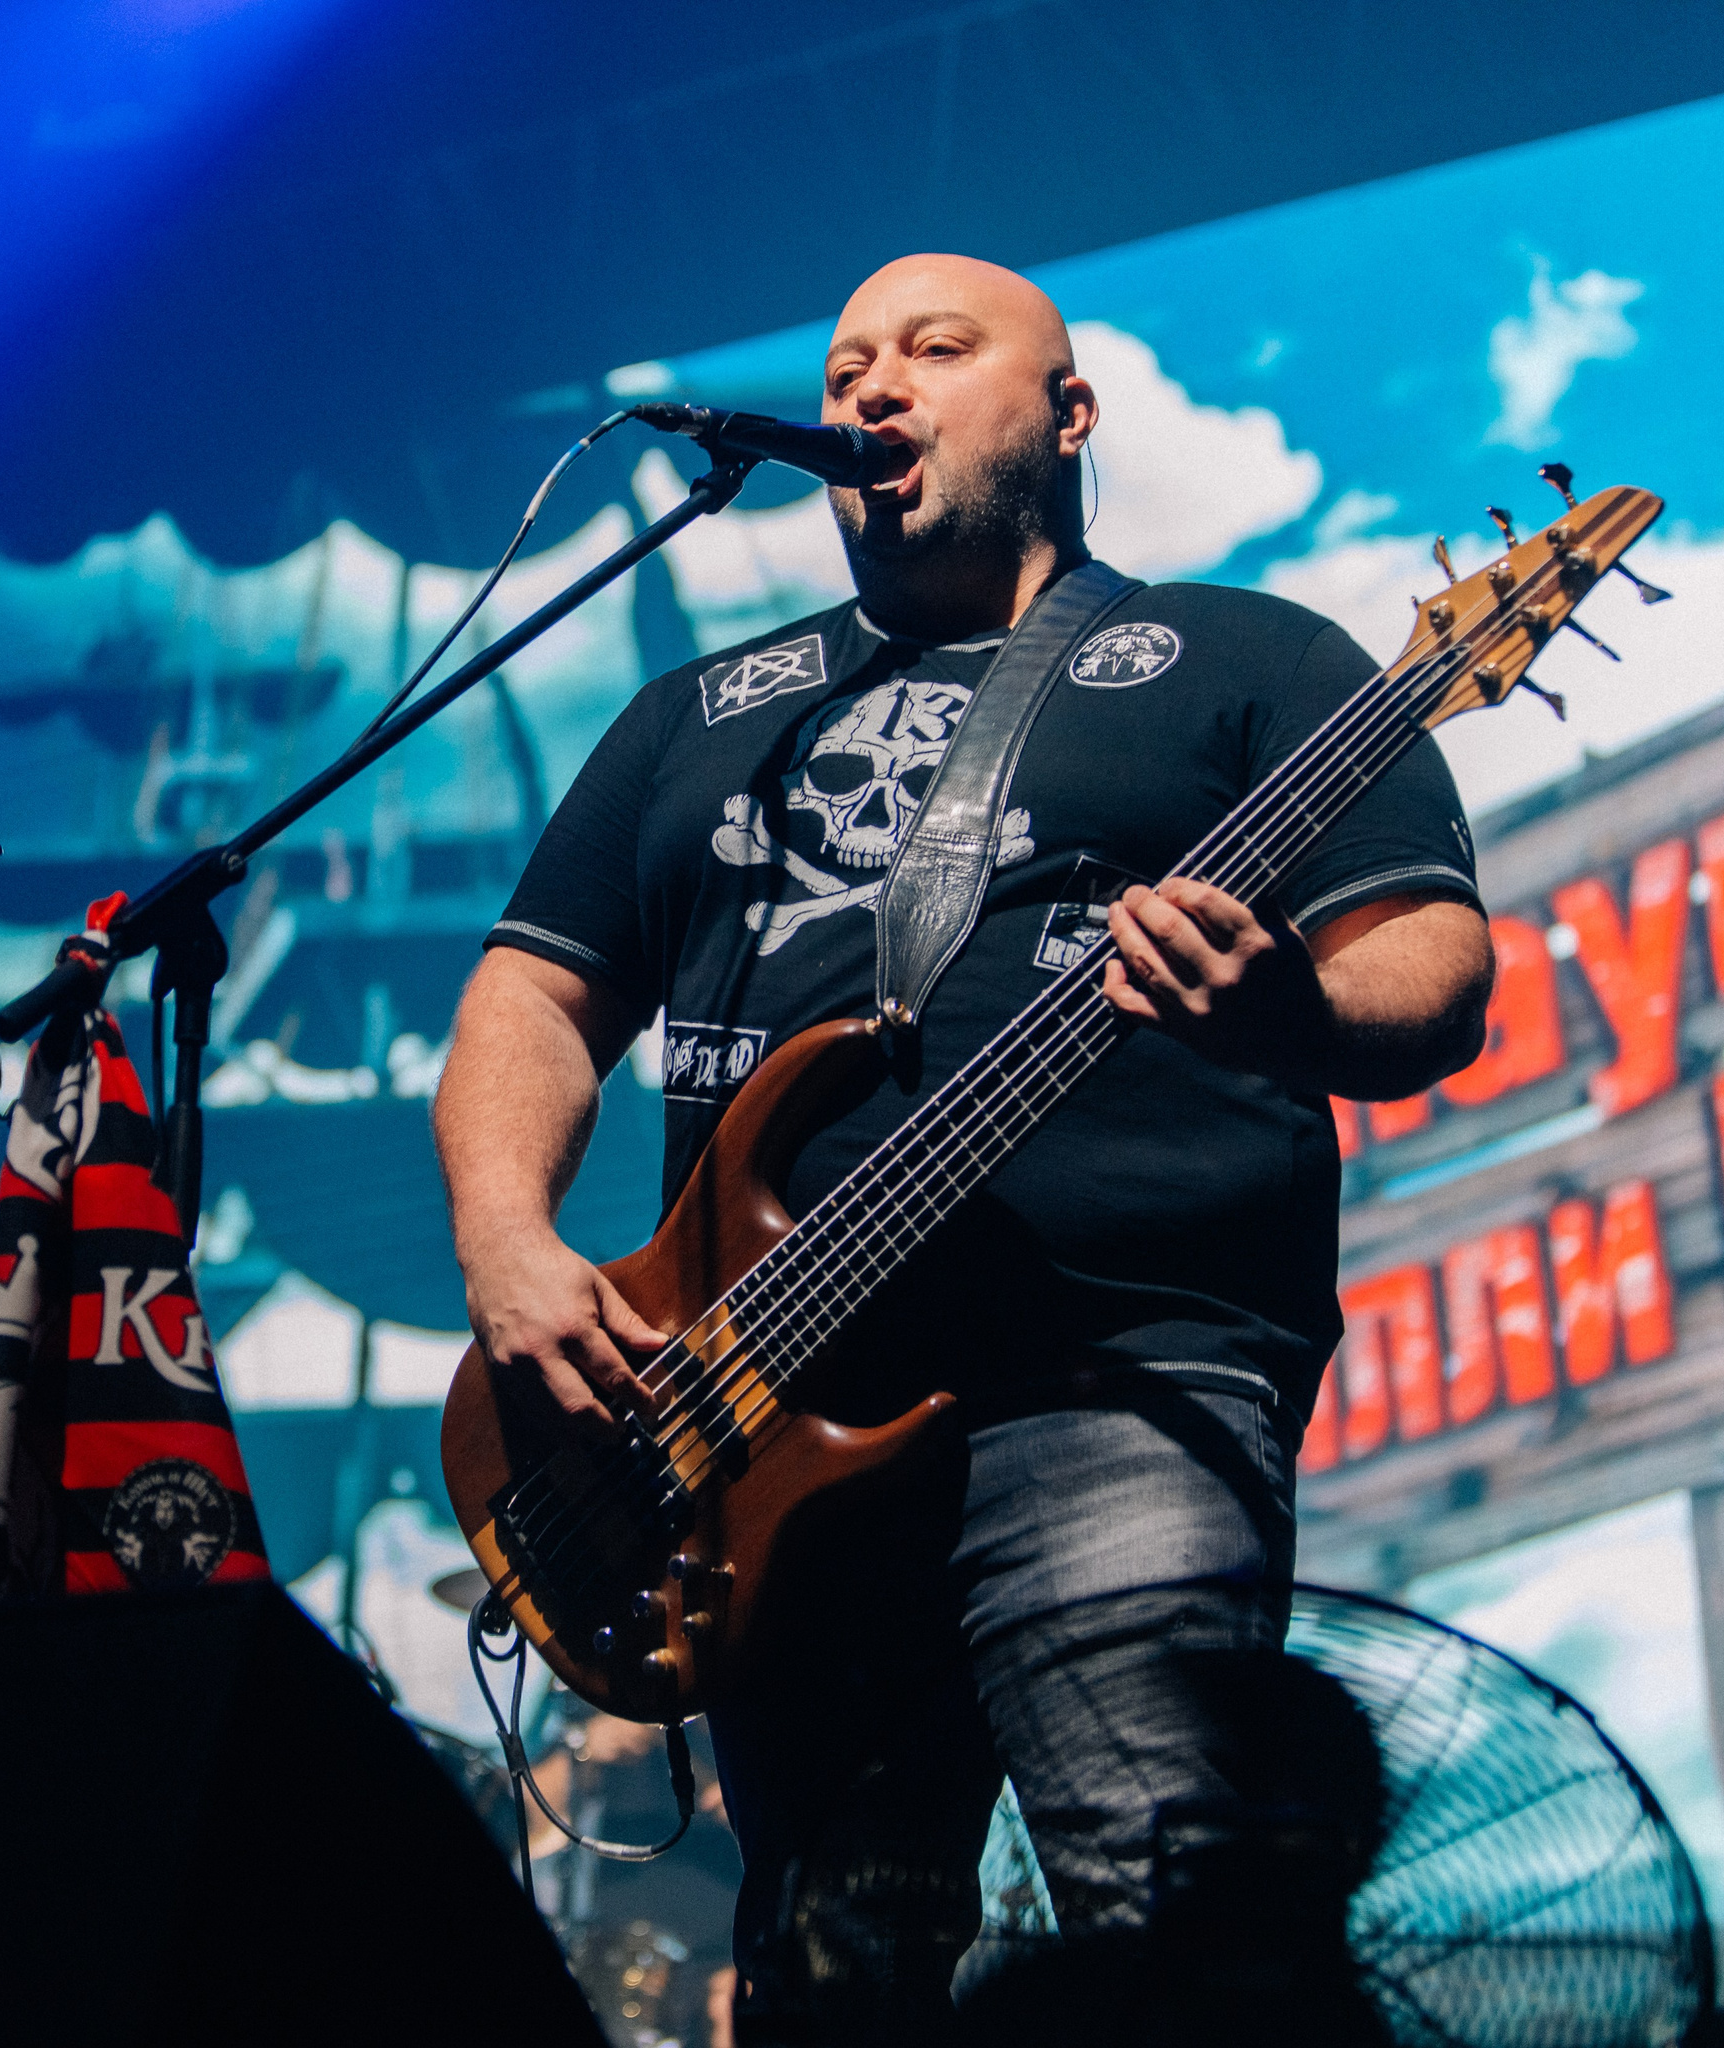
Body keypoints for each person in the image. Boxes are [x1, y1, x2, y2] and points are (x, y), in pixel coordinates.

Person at [433, 256, 1493, 2038]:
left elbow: (1430, 969)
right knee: (833, 1963)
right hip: (758, 1421)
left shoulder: (1246, 657)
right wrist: (506, 1241)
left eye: (936, 349)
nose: (875, 386)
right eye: (850, 362)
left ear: (1065, 415)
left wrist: (1275, 1011)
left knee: (1171, 1892)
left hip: (1116, 1367)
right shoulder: (703, 712)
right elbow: (530, 1003)